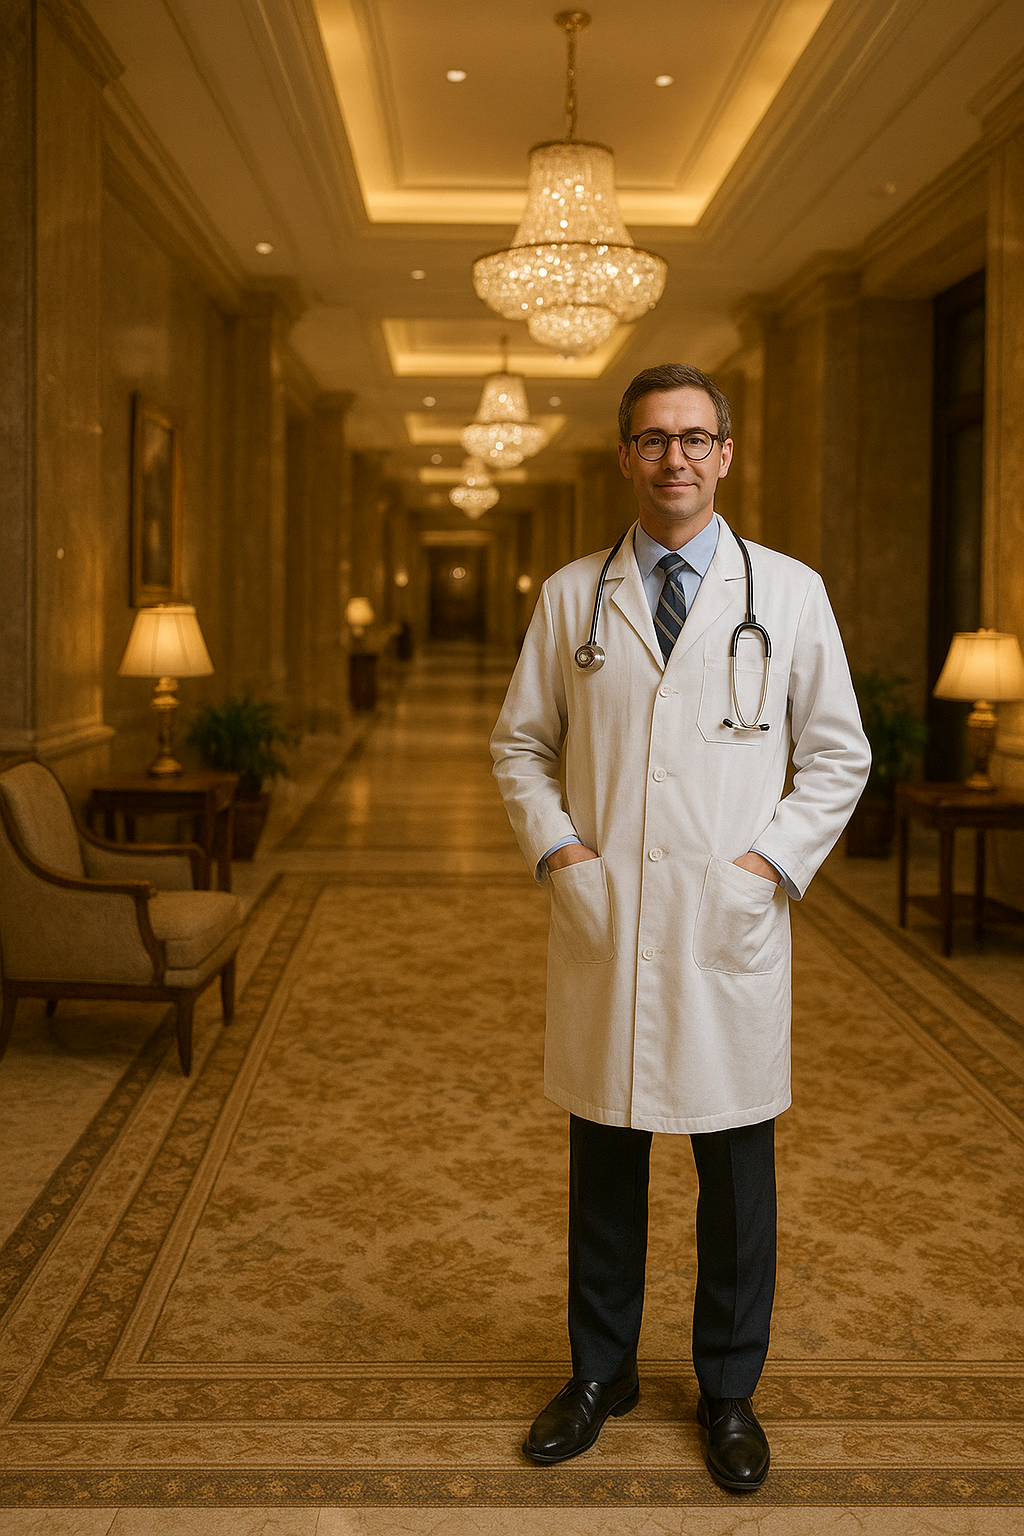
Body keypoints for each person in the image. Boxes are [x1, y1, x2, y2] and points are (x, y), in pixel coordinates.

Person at [490, 363, 870, 1493]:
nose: (674, 461)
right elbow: (520, 746)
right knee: (604, 1160)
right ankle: (597, 1374)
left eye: (695, 440)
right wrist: (562, 852)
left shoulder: (789, 593)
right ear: (624, 456)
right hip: (609, 920)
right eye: (653, 441)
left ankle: (729, 1393)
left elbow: (840, 753)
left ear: (726, 454)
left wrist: (767, 865)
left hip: (726, 926)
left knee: (734, 1171)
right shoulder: (572, 596)